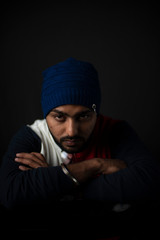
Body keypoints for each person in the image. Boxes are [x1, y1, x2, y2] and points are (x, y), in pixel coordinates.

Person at [0, 57, 160, 239]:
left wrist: (54, 181)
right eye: (59, 117)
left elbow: (150, 181)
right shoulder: (33, 136)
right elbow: (10, 194)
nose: (72, 131)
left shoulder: (115, 130)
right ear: (47, 115)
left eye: (84, 116)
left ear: (96, 113)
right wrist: (96, 165)